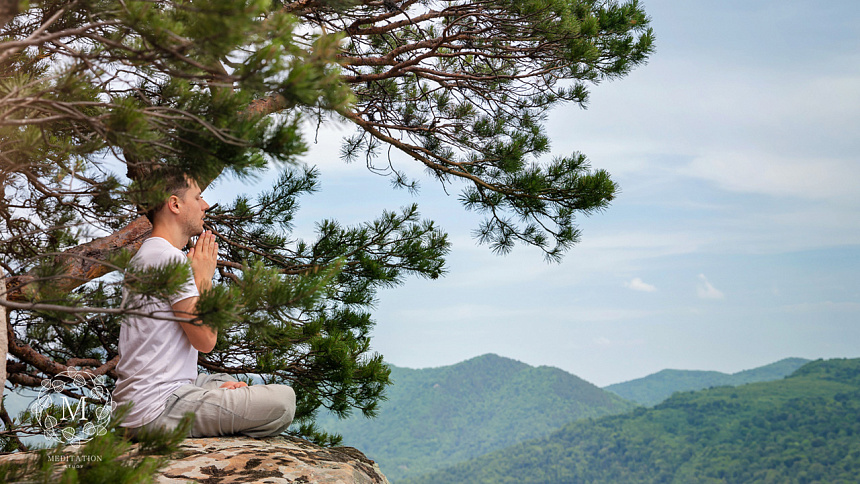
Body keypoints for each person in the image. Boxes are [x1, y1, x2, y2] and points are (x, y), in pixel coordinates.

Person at [112, 171, 295, 438]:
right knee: (283, 402)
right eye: (198, 198)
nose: (205, 206)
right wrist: (204, 280)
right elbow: (206, 340)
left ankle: (211, 398)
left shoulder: (148, 255)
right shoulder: (168, 259)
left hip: (143, 401)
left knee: (224, 383)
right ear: (175, 204)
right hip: (157, 408)